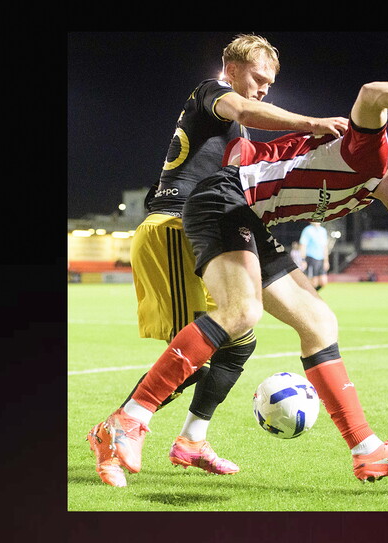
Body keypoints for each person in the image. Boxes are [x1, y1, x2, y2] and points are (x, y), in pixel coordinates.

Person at [88, 78, 388, 486]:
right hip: (225, 200)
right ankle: (128, 419)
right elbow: (372, 93)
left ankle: (367, 451)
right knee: (242, 312)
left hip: (248, 217)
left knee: (319, 322)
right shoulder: (372, 155)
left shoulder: (367, 190)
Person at [87, 34, 349, 486]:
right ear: (229, 68)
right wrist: (310, 122)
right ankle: (114, 432)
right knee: (196, 353)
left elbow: (259, 160)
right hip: (171, 226)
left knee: (239, 339)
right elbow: (247, 110)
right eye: (257, 77)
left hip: (200, 231)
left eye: (270, 82)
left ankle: (192, 439)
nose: (263, 88)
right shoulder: (211, 93)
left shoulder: (240, 130)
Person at [299, 222, 329, 290]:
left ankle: (313, 294)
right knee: (314, 282)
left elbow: (325, 246)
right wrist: (303, 260)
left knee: (323, 282)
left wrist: (326, 261)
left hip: (321, 258)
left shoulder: (323, 230)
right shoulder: (307, 230)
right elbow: (303, 245)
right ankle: (310, 296)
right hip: (311, 258)